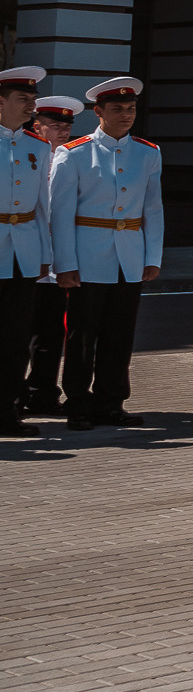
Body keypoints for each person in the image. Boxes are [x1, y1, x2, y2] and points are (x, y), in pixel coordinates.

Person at [48, 76, 162, 433]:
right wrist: (63, 264)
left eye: (131, 109)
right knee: (83, 335)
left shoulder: (148, 152)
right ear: (98, 112)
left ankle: (111, 402)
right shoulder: (75, 152)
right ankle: (79, 404)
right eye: (117, 109)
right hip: (88, 256)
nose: (126, 115)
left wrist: (152, 256)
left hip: (129, 255)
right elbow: (59, 213)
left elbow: (153, 209)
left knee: (119, 334)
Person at [19, 92, 78, 419]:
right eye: (56, 126)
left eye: (66, 126)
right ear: (38, 127)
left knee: (51, 333)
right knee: (19, 331)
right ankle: (16, 392)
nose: (64, 131)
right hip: (29, 258)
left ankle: (43, 392)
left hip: (58, 262)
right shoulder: (30, 156)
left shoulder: (74, 158)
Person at [0, 66, 50, 438]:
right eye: (22, 100)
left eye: (32, 100)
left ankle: (6, 413)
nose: (31, 107)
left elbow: (44, 205)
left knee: (15, 338)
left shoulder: (39, 146)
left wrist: (46, 253)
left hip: (24, 252)